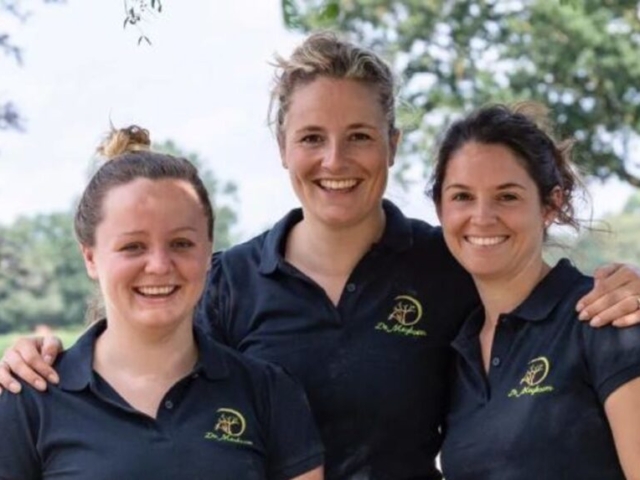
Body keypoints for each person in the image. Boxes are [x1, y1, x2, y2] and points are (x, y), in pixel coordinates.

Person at [2, 34, 640, 479]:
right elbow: (134, 358)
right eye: (312, 137)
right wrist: (40, 357)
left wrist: (627, 286)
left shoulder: (445, 263)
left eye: (359, 136)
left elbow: (533, 293)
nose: (335, 161)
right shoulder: (228, 282)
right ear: (282, 146)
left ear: (392, 145)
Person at [0, 126, 324, 480]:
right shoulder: (29, 398)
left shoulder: (268, 393)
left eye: (181, 243)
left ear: (208, 251)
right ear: (90, 257)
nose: (158, 265)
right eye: (133, 246)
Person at [432, 103, 640, 479]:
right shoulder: (457, 351)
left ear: (550, 205)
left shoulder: (604, 317)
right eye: (462, 196)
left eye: (507, 196)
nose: (482, 217)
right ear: (439, 209)